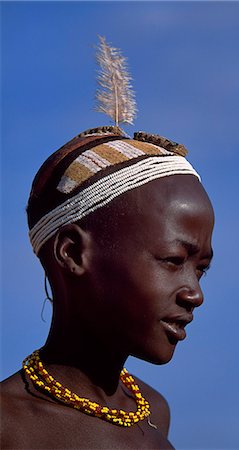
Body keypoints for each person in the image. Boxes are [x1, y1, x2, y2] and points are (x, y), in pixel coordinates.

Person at [0, 126, 214, 449]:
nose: (194, 294)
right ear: (72, 252)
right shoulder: (9, 426)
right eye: (172, 260)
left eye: (201, 270)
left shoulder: (154, 413)